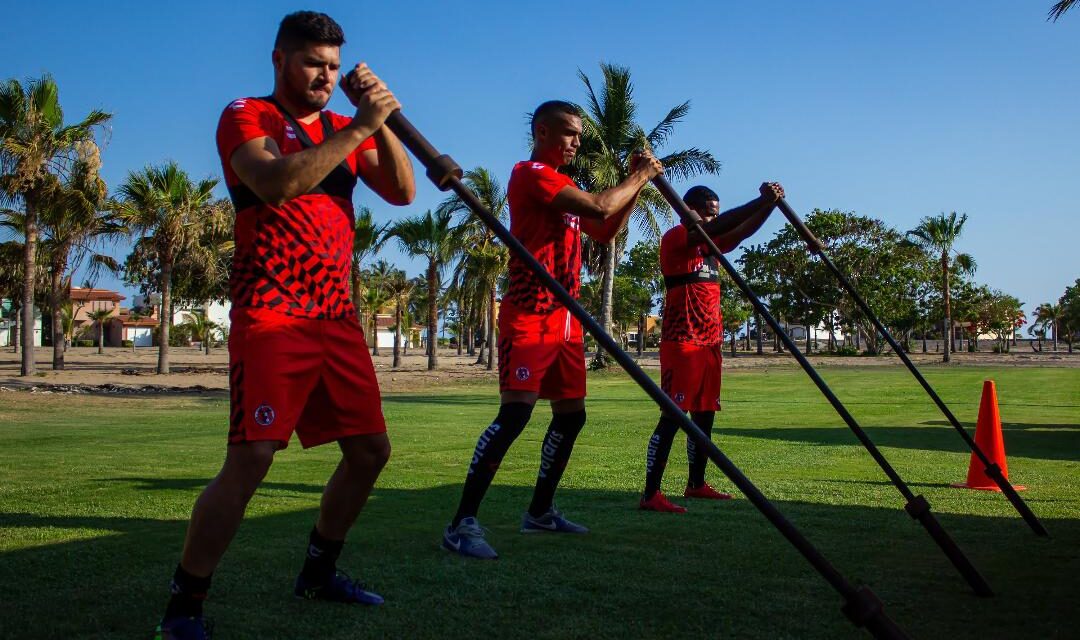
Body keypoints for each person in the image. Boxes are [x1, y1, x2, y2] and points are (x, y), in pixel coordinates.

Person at [156, 11, 415, 639]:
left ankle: (319, 572)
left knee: (370, 452)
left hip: (336, 316)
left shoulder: (341, 127)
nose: (325, 75)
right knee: (253, 458)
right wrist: (359, 126)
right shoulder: (247, 114)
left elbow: (403, 191)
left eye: (332, 65)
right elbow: (275, 183)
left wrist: (379, 123)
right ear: (279, 60)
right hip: (273, 313)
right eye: (312, 63)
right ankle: (185, 603)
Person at [442, 101, 664, 559]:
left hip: (566, 318)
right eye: (568, 133)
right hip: (529, 311)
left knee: (571, 415)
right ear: (542, 132)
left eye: (579, 135)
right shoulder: (531, 173)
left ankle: (540, 512)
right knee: (515, 416)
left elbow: (603, 228)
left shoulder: (564, 183)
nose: (576, 142)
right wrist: (639, 176)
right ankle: (461, 523)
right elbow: (602, 204)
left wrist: (637, 188)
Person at [639, 182, 783, 513]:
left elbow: (740, 231)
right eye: (706, 212)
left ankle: (696, 484)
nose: (711, 219)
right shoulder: (677, 237)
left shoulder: (711, 244)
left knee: (704, 415)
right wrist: (759, 199)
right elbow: (724, 225)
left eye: (714, 214)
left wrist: (769, 206)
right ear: (687, 211)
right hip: (682, 342)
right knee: (673, 416)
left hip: (710, 342)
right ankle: (650, 494)